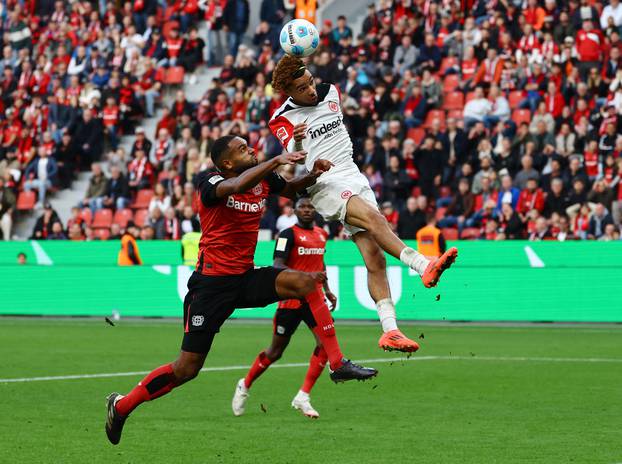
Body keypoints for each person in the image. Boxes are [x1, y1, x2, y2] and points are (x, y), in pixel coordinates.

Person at [105, 136, 377, 445]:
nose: (250, 149)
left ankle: (338, 363)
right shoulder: (209, 181)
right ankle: (122, 406)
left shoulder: (263, 179)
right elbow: (233, 188)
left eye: (248, 145)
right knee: (187, 369)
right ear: (227, 163)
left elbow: (290, 189)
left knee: (305, 281)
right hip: (210, 287)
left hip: (244, 278)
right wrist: (275, 160)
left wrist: (312, 174)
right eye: (242, 148)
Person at [268, 55, 458, 353]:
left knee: (375, 258)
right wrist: (300, 141)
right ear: (288, 91)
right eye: (303, 87)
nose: (311, 89)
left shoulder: (330, 91)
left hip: (353, 173)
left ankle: (390, 331)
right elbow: (294, 156)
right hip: (325, 180)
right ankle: (422, 265)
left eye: (311, 81)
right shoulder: (281, 118)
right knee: (374, 219)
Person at [232, 198, 337, 419]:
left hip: (314, 299)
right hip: (290, 300)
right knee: (275, 352)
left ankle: (303, 396)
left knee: (326, 344)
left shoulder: (321, 234)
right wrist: (306, 276)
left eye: (310, 207)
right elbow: (277, 265)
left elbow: (320, 263)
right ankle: (245, 384)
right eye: (303, 207)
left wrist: (326, 288)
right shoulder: (287, 235)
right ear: (294, 211)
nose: (307, 210)